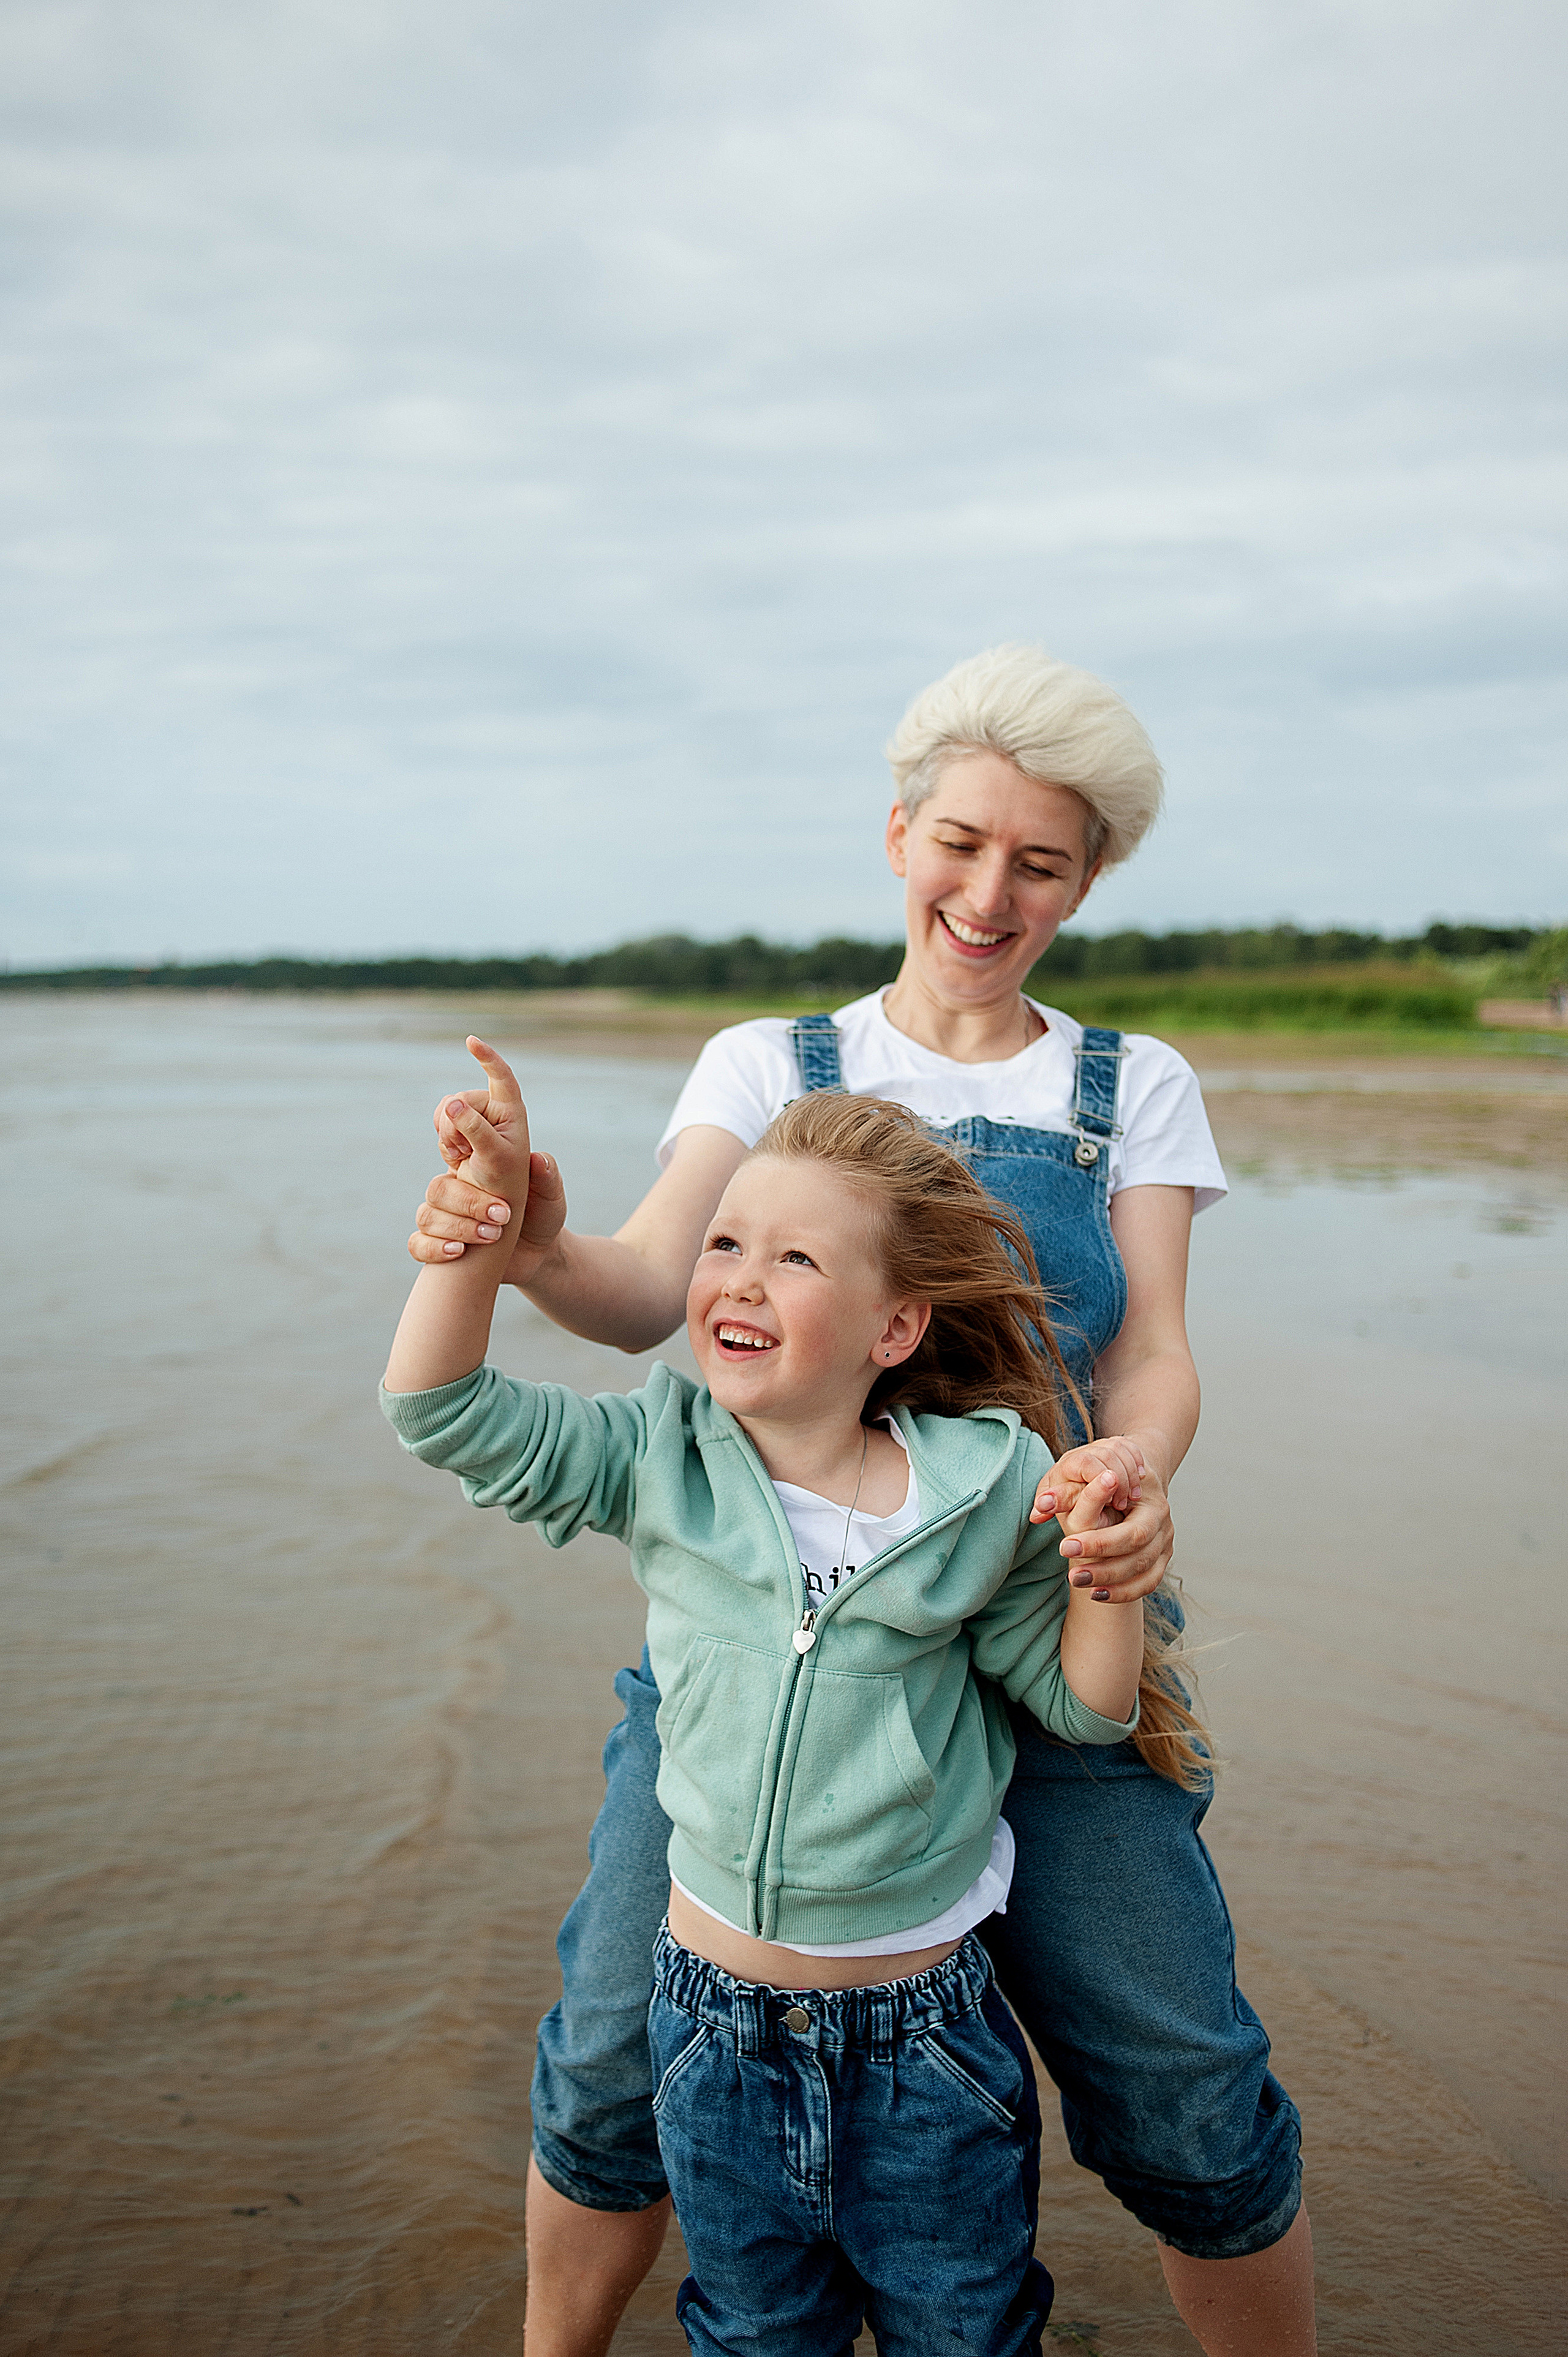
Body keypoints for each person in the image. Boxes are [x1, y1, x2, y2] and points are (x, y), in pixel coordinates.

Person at [412, 644, 1316, 2357]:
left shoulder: (1130, 1087)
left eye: (1040, 862)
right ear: (898, 835)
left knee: (1182, 2085)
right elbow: (648, 1290)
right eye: (960, 844)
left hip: (1051, 1618)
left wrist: (1131, 1476)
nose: (990, 893)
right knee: (612, 2061)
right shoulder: (772, 1057)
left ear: (1089, 877)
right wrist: (530, 1248)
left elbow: (1156, 1357)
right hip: (764, 1641)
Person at [385, 1070, 1164, 2353]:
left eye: (793, 1257)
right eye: (724, 1244)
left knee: (961, 2330)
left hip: (929, 2049)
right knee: (753, 2331)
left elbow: (1083, 1710)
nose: (738, 1277)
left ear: (894, 1326)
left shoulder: (986, 1487)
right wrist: (478, 1229)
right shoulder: (661, 1454)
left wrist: (1111, 1575)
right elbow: (439, 1410)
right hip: (712, 2029)